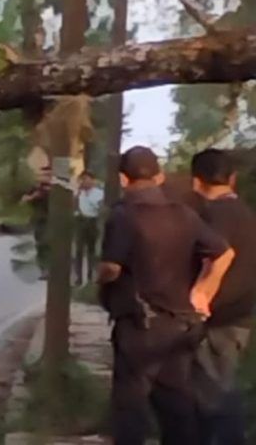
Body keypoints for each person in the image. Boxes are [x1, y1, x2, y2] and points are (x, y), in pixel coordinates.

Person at [99, 146, 236, 445]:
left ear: (123, 179)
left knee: (130, 409)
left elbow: (111, 267)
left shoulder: (123, 216)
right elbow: (224, 253)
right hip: (181, 326)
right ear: (160, 176)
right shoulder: (183, 213)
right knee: (177, 408)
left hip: (139, 327)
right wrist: (202, 292)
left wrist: (103, 278)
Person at [189, 149, 256, 445]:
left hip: (217, 318)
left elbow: (217, 256)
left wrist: (201, 295)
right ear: (232, 178)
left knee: (215, 398)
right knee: (216, 393)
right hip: (241, 314)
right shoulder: (246, 213)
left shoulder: (213, 215)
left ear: (196, 182)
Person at [20, 164, 52, 277]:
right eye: (43, 175)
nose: (45, 177)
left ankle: (50, 268)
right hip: (40, 220)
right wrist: (34, 196)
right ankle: (44, 269)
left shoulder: (58, 188)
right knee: (41, 244)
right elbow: (23, 200)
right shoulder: (36, 188)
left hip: (54, 220)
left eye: (48, 175)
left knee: (51, 245)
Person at [75, 170, 104, 285]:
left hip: (92, 221)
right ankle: (78, 277)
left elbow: (99, 208)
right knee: (79, 250)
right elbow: (76, 206)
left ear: (92, 180)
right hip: (81, 221)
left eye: (86, 179)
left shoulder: (99, 193)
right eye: (82, 179)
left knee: (91, 250)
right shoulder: (80, 193)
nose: (84, 182)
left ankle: (91, 275)